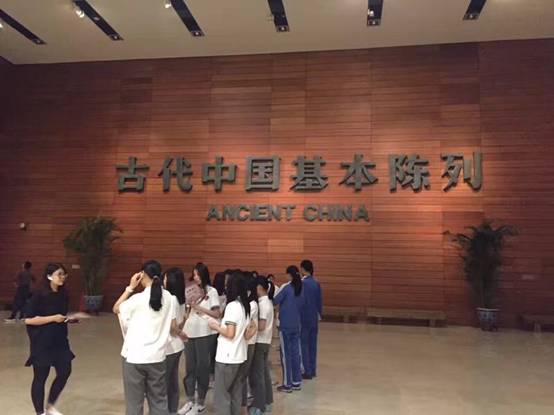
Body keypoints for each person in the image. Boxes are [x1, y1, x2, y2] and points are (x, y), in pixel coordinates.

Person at [113, 260, 177, 415]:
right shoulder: (170, 298)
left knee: (134, 404)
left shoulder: (137, 299)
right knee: (159, 402)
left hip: (135, 357)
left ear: (142, 275)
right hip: (157, 357)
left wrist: (130, 288)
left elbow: (116, 308)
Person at [24, 262, 74, 415]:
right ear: (49, 276)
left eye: (64, 274)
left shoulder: (63, 294)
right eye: (59, 274)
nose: (63, 277)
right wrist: (53, 318)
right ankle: (40, 412)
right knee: (41, 377)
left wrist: (68, 319)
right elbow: (28, 320)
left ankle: (50, 406)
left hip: (60, 340)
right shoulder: (39, 295)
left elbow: (61, 316)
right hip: (42, 341)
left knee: (65, 371)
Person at [208, 271, 256, 415]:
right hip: (240, 355)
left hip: (227, 357)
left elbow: (230, 333)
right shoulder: (245, 306)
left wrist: (215, 326)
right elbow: (246, 333)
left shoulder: (232, 306)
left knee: (221, 396)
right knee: (236, 393)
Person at [178, 263, 221, 415]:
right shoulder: (191, 291)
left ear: (204, 275)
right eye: (194, 274)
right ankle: (190, 400)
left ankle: (200, 403)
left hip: (205, 333)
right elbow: (186, 313)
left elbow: (217, 314)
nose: (196, 277)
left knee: (202, 367)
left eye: (198, 274)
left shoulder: (212, 291)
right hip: (189, 332)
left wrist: (199, 308)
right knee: (190, 367)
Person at [273, 265, 304, 393]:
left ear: (289, 275)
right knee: (296, 353)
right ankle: (297, 382)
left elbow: (275, 300)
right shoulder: (301, 288)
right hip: (296, 324)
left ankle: (287, 384)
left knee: (286, 355)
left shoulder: (286, 288)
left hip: (285, 325)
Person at [249, 276, 275, 415]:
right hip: (266, 341)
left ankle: (259, 405)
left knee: (258, 374)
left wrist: (249, 325)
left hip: (260, 342)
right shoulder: (268, 302)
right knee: (264, 373)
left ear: (259, 287)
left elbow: (262, 325)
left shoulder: (263, 304)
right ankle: (268, 400)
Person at [164, 268, 188, 415]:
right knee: (172, 381)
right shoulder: (180, 299)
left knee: (165, 382)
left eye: (165, 278)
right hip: (177, 345)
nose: (164, 281)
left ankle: (166, 410)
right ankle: (172, 410)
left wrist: (179, 332)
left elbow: (173, 328)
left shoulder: (171, 299)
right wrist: (180, 332)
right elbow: (182, 321)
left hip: (170, 346)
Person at [299, 259, 322, 379]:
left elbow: (300, 301)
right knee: (313, 344)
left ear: (302, 269)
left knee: (304, 344)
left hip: (304, 317)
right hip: (314, 317)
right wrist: (319, 314)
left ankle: (307, 370)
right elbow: (319, 301)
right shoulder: (316, 283)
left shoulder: (302, 283)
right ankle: (312, 369)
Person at [241, 273, 259, 410]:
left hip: (249, 342)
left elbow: (246, 324)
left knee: (243, 373)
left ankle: (243, 402)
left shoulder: (252, 305)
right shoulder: (249, 303)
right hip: (246, 342)